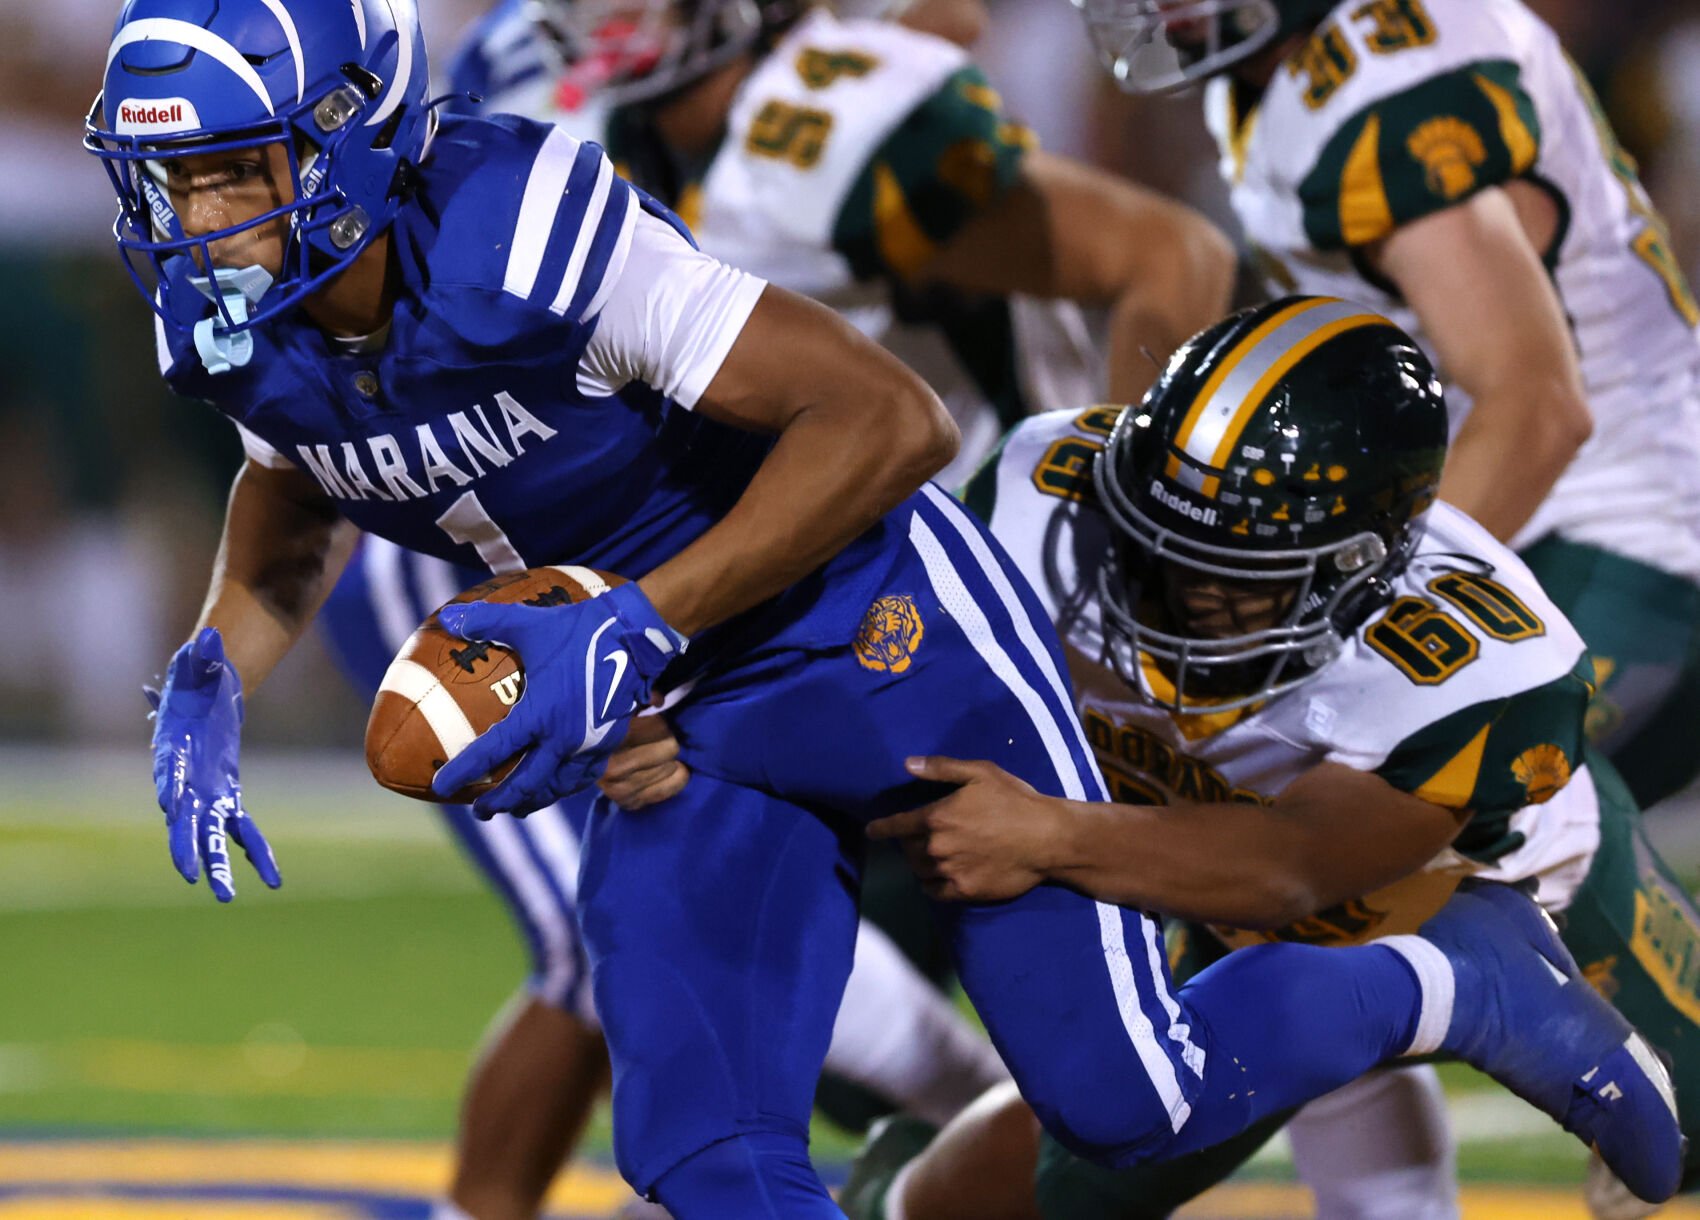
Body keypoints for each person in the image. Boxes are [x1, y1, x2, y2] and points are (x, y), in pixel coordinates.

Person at [93, 2, 1681, 1213]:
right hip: (675, 691)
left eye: (230, 171)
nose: (192, 220)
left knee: (1127, 1102)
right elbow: (296, 479)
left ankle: (1452, 975)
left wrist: (640, 621)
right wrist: (223, 651)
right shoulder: (247, 320)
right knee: (699, 1145)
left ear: (363, 134)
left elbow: (895, 420)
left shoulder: (525, 222)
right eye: (165, 180)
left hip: (874, 626)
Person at [840, 297, 1700, 1220]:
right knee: (1050, 1179)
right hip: (1225, 902)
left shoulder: (1476, 668)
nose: (1169, 589)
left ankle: (1482, 994)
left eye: (1225, 569)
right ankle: (892, 1192)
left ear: (1360, 565)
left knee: (1685, 1139)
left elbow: (1294, 868)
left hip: (1498, 886)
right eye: (1152, 539)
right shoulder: (1041, 498)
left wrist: (1047, 834)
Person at [1077, 0, 1700, 811]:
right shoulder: (1289, 71)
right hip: (1531, 522)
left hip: (1626, 532)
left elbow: (1538, 409)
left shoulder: (1382, 88)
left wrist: (1341, 611)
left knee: (1372, 828)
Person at [320, 536, 1010, 1220]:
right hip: (493, 578)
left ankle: (997, 1114)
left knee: (718, 892)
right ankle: (993, 1109)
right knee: (590, 943)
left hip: (661, 567)